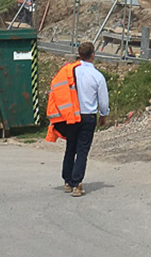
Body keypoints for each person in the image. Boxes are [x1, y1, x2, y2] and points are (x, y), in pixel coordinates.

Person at [45, 41, 109, 198]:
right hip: (88, 117)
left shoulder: (69, 72)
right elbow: (103, 101)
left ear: (79, 55)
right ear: (93, 55)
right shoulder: (97, 76)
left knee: (70, 148)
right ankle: (77, 184)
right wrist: (103, 115)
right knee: (82, 151)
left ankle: (67, 181)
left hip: (71, 115)